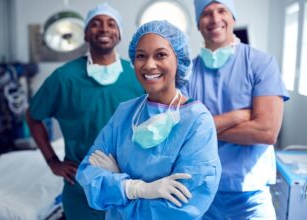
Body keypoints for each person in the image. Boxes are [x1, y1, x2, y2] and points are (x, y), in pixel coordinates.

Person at [76, 20, 221, 220]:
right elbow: (88, 173)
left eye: (160, 55)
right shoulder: (125, 113)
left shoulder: (197, 120)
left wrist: (118, 186)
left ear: (178, 59)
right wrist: (136, 188)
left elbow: (182, 209)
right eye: (141, 56)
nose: (149, 65)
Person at [25, 3, 143, 220]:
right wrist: (53, 162)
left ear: (119, 33)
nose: (104, 29)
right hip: (82, 191)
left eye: (111, 23)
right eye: (95, 24)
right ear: (86, 34)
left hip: (130, 186)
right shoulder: (64, 78)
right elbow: (32, 117)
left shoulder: (137, 75)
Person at [181, 0, 290, 219]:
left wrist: (204, 128)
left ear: (233, 18)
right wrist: (238, 116)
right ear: (198, 24)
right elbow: (182, 131)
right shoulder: (186, 74)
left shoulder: (261, 63)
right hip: (202, 192)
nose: (215, 18)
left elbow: (266, 132)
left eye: (222, 10)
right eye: (206, 13)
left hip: (251, 195)